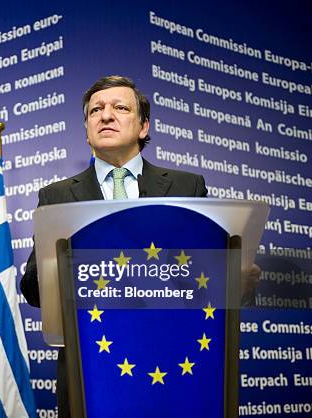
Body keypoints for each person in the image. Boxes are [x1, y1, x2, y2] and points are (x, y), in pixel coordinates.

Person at [20, 75, 211, 417]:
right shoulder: (56, 196)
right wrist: (56, 273)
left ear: (143, 126)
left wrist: (231, 273)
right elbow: (34, 289)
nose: (105, 116)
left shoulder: (187, 186)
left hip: (173, 358)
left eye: (120, 108)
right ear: (87, 128)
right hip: (90, 363)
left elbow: (205, 277)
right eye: (96, 110)